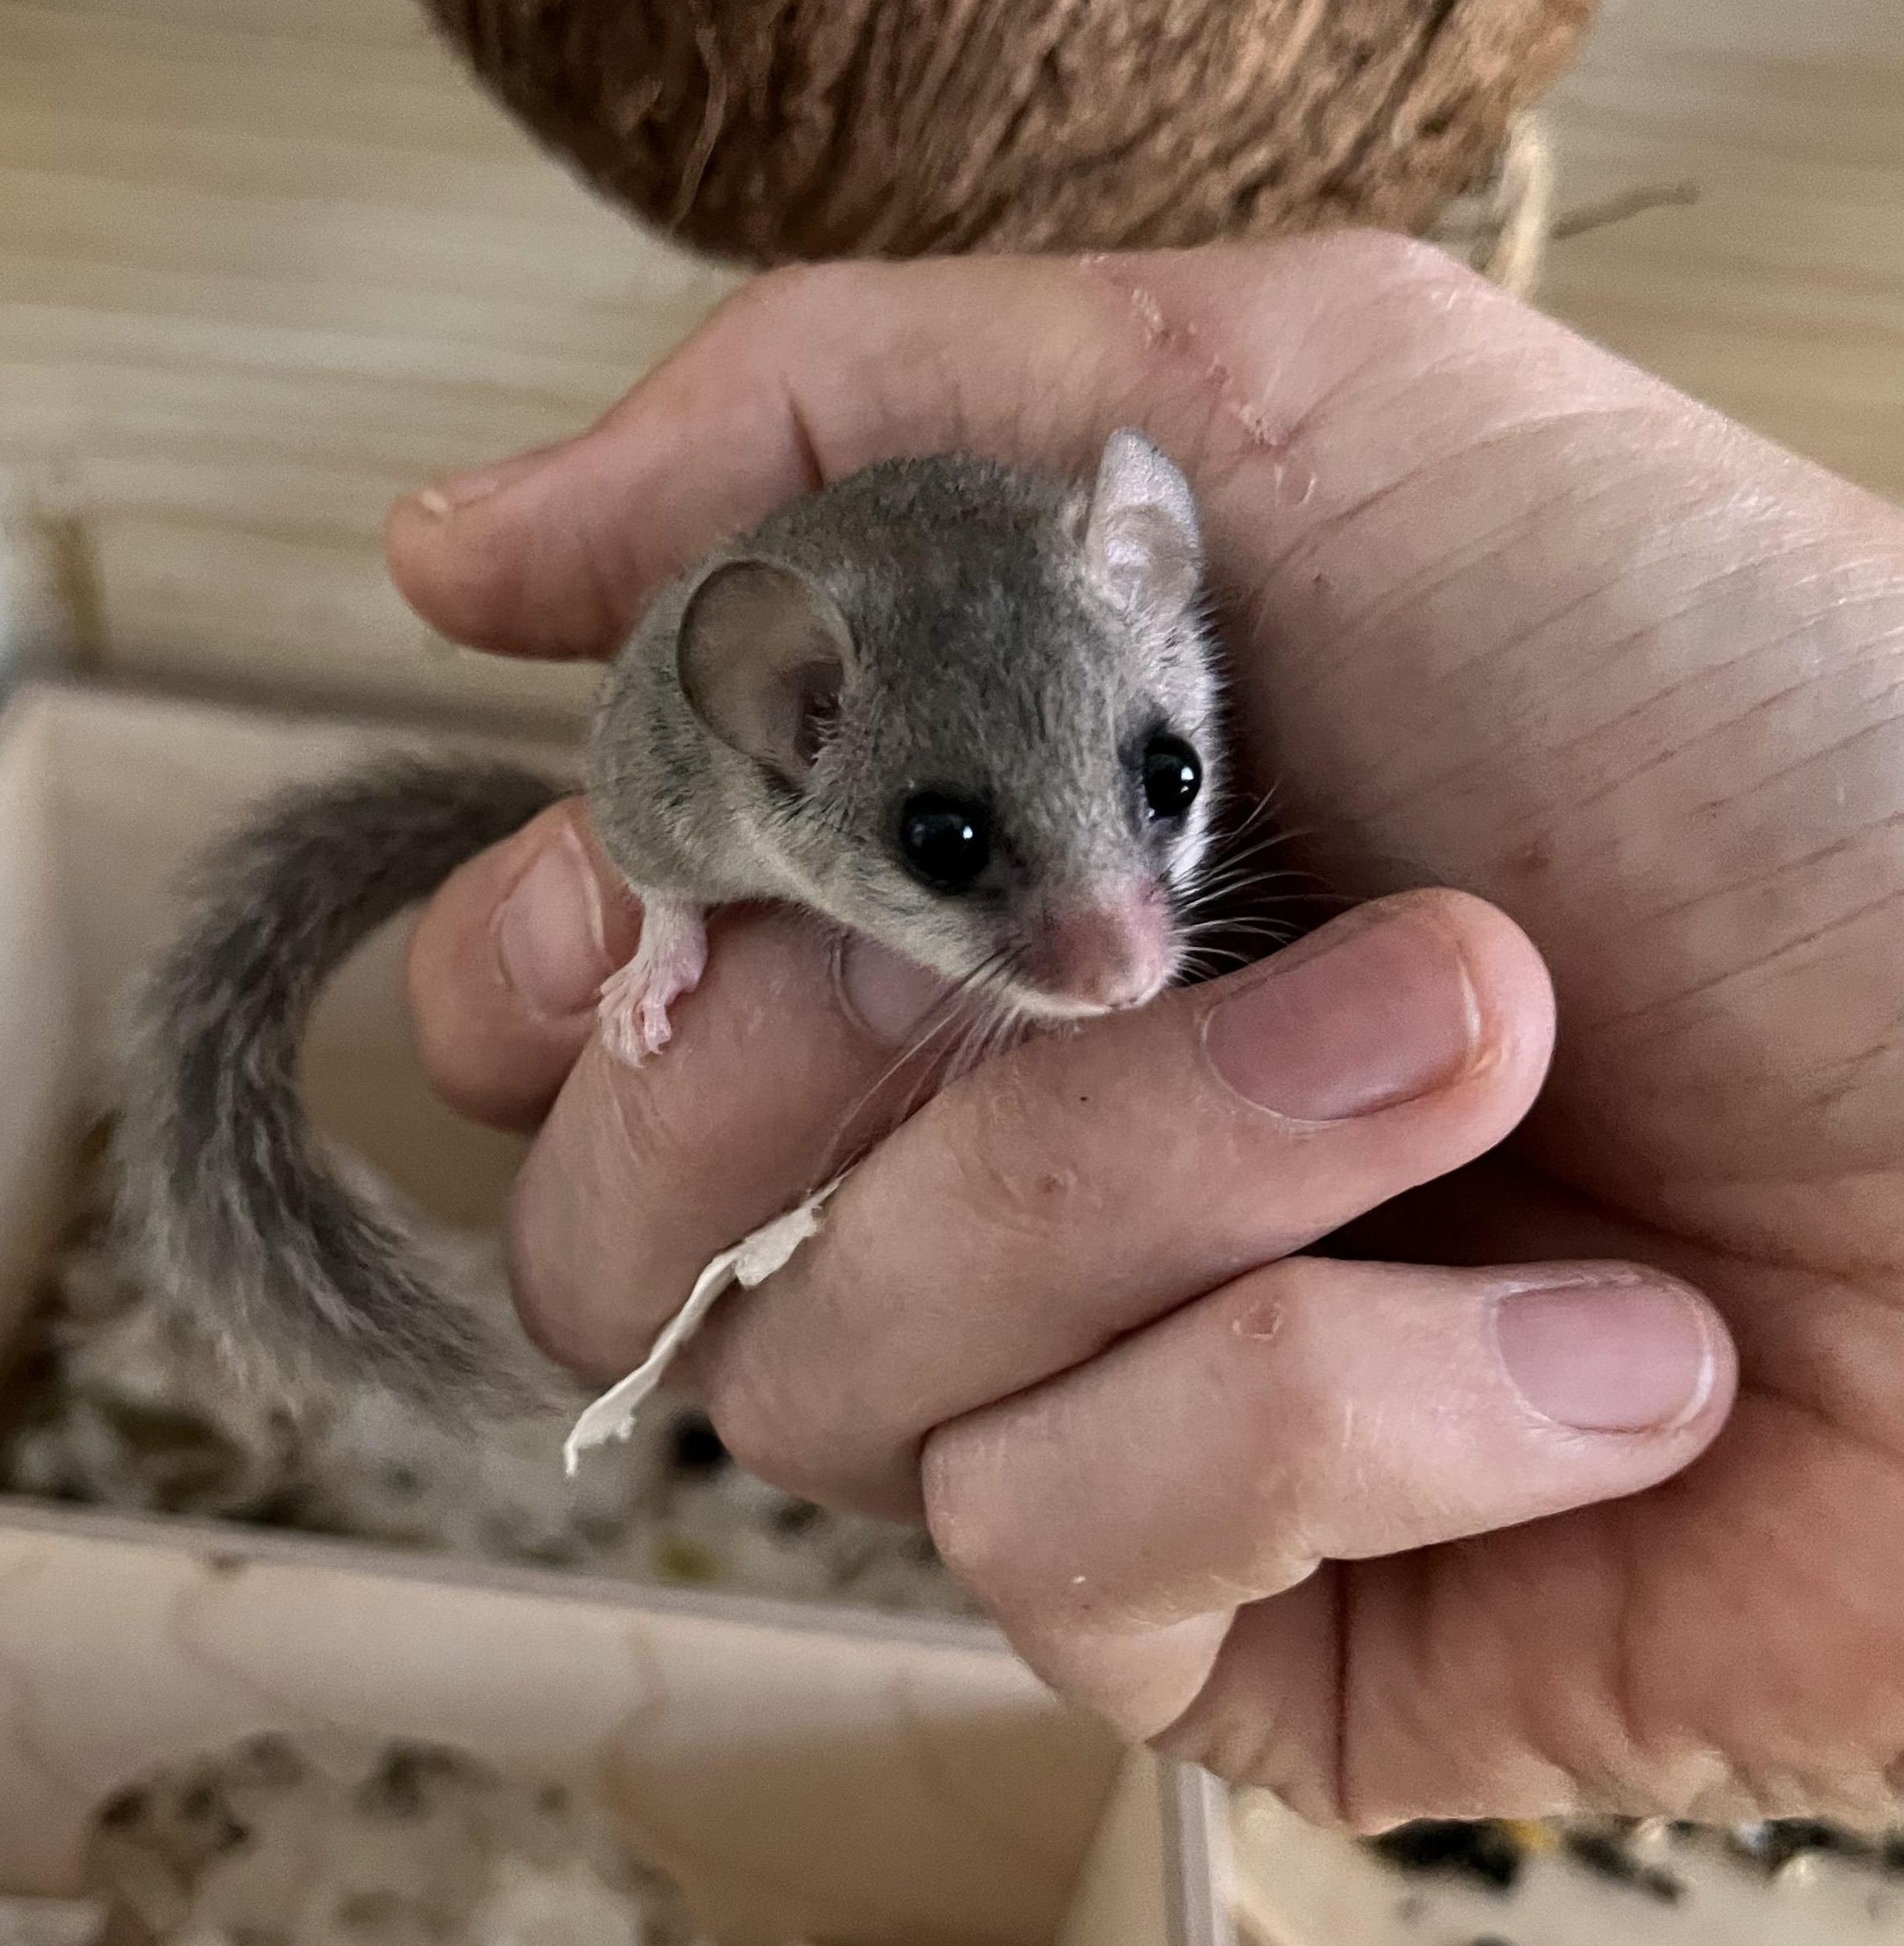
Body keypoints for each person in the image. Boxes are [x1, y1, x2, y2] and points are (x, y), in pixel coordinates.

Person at [383, 234, 1904, 1826]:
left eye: (1162, 791)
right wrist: (669, 930)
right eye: (955, 849)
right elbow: (641, 790)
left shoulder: (1121, 611)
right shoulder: (758, 710)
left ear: (1149, 580)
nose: (1121, 956)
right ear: (791, 723)